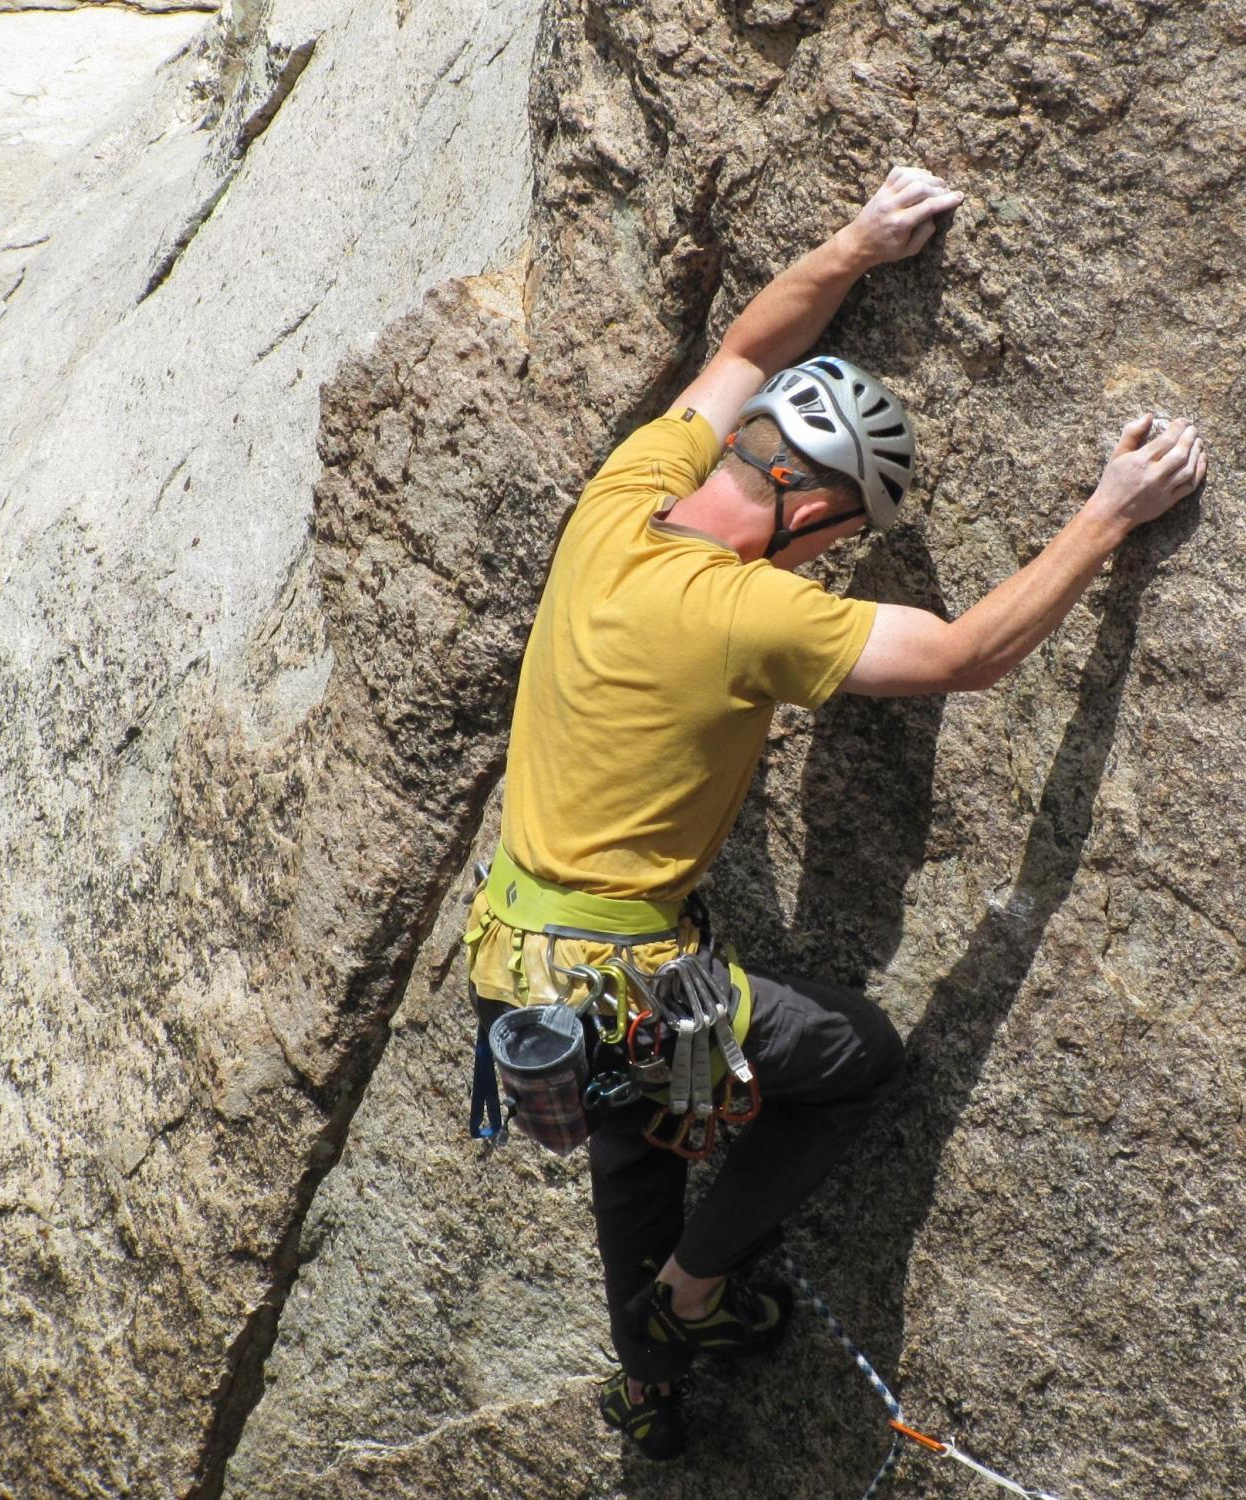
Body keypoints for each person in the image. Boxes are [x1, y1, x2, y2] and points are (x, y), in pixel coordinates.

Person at [460, 165, 1207, 1461]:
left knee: (637, 1148)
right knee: (853, 1060)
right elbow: (971, 654)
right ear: (809, 509)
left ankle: (650, 1392)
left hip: (512, 961)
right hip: (621, 987)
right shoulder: (750, 610)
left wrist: (858, 242)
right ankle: (693, 1298)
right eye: (833, 541)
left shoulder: (623, 493)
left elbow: (746, 345)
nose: (826, 564)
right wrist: (1109, 514)